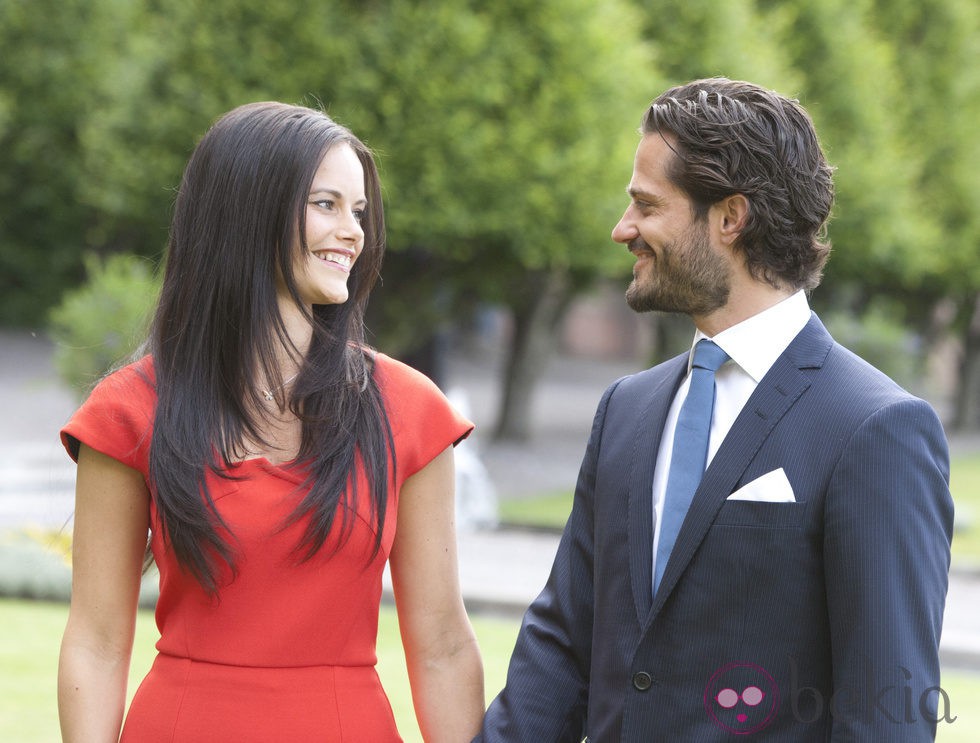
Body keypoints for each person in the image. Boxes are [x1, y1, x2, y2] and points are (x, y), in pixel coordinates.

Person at [477, 78, 953, 741]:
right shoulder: (626, 409)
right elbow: (562, 645)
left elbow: (886, 714)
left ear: (731, 216)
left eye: (646, 205)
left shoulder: (876, 429)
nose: (623, 229)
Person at [58, 101, 484, 742]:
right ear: (247, 210)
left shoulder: (408, 409)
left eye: (359, 212)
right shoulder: (129, 411)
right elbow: (94, 640)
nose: (353, 232)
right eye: (326, 205)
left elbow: (443, 646)